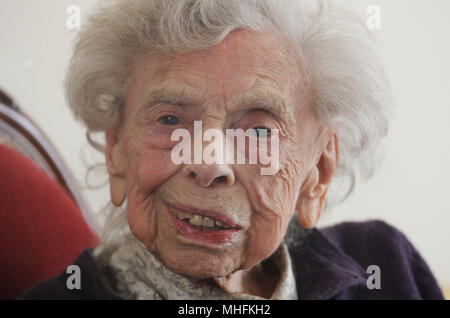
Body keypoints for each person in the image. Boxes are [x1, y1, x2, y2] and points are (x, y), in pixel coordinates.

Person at [21, 0, 444, 300]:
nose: (208, 164)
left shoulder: (386, 266)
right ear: (117, 149)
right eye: (170, 120)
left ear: (319, 170)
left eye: (259, 131)